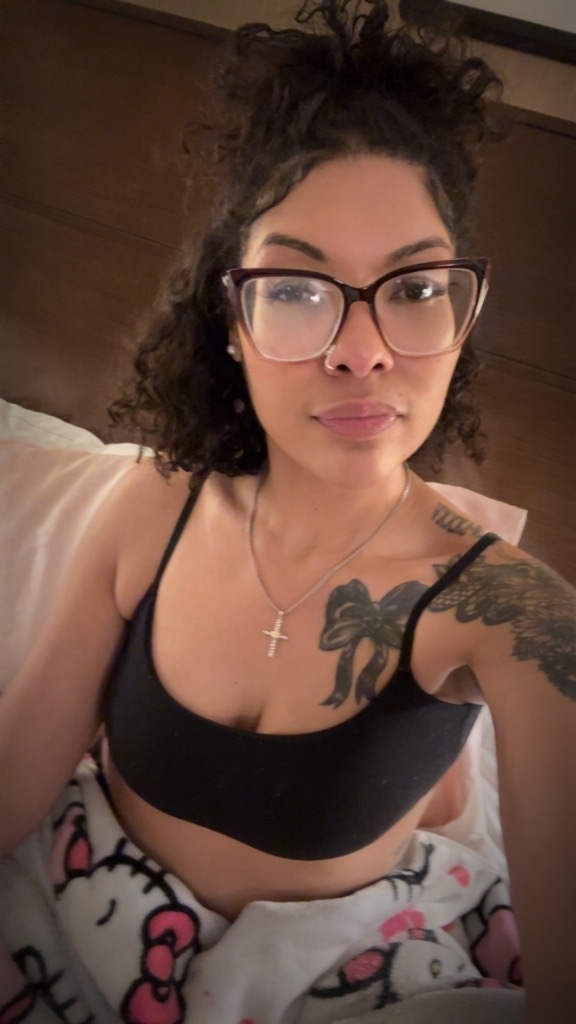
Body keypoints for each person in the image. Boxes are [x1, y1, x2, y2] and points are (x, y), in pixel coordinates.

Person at [0, 2, 575, 1022]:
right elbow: (13, 783)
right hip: (79, 908)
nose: (362, 351)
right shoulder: (155, 505)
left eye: (414, 286)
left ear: (459, 313)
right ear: (233, 317)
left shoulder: (513, 613)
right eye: (300, 288)